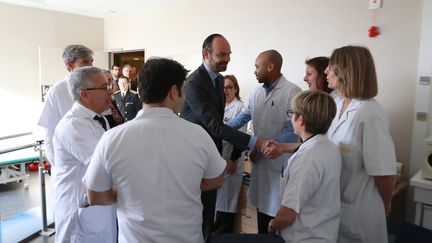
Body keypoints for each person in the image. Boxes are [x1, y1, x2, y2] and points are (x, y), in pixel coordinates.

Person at [83, 58, 226, 243]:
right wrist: (183, 186)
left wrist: (131, 192)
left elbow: (94, 195)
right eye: (184, 90)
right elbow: (217, 179)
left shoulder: (112, 138)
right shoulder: (198, 135)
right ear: (174, 92)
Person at [180, 33, 268, 241]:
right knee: (196, 215)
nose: (227, 58)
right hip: (194, 156)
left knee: (209, 212)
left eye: (229, 54)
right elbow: (215, 126)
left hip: (213, 155)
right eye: (222, 54)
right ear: (205, 54)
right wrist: (256, 143)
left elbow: (221, 124)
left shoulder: (219, 80)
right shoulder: (193, 83)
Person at [325, 45, 397, 243]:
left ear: (346, 71)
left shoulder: (370, 113)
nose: (326, 71)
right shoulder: (338, 103)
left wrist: (385, 205)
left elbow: (385, 173)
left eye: (330, 67)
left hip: (360, 215)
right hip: (335, 210)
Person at [226, 50, 301, 233]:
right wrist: (220, 129)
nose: (254, 70)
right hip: (260, 164)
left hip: (279, 165)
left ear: (270, 67)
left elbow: (292, 133)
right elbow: (244, 117)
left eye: (257, 66)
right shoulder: (256, 92)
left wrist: (260, 148)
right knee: (262, 221)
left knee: (278, 221)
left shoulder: (293, 92)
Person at [53, 66, 117, 243]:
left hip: (99, 207)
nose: (110, 92)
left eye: (110, 86)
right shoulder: (73, 125)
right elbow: (105, 162)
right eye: (104, 88)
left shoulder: (100, 118)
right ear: (84, 94)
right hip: (80, 212)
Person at [268, 90, 341, 243]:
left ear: (300, 119)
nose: (291, 118)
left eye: (292, 113)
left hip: (303, 237)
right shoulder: (329, 147)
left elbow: (288, 214)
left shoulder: (306, 158)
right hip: (323, 233)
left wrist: (273, 225)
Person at [38, 44, 93, 165]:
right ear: (69, 66)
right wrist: (57, 165)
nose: (90, 67)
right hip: (68, 162)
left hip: (91, 156)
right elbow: (49, 134)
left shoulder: (94, 87)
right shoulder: (57, 92)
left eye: (91, 61)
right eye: (85, 62)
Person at [213, 75, 246, 234]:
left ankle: (224, 233)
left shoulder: (239, 108)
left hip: (231, 159)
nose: (226, 90)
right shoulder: (218, 106)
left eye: (230, 87)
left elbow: (241, 137)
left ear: (236, 89)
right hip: (218, 160)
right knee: (219, 200)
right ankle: (217, 231)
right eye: (223, 87)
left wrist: (233, 159)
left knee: (227, 200)